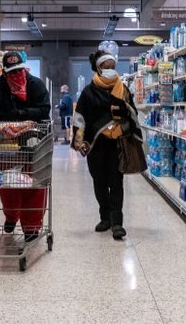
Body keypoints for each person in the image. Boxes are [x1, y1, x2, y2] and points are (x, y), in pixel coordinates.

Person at [0, 51, 51, 241]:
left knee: (35, 185)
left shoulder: (36, 85)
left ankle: (32, 227)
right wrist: (9, 117)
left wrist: (21, 113)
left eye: (19, 70)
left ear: (24, 68)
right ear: (4, 72)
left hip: (35, 144)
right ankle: (11, 216)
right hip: (5, 145)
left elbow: (44, 110)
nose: (16, 75)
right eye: (11, 73)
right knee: (7, 184)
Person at [72, 50, 145, 240]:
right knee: (99, 181)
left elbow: (133, 114)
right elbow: (80, 117)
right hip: (96, 144)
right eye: (107, 68)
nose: (111, 71)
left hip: (118, 143)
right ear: (98, 68)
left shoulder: (123, 89)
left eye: (113, 67)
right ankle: (104, 217)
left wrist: (125, 109)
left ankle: (117, 222)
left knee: (116, 181)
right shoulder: (88, 92)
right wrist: (78, 139)